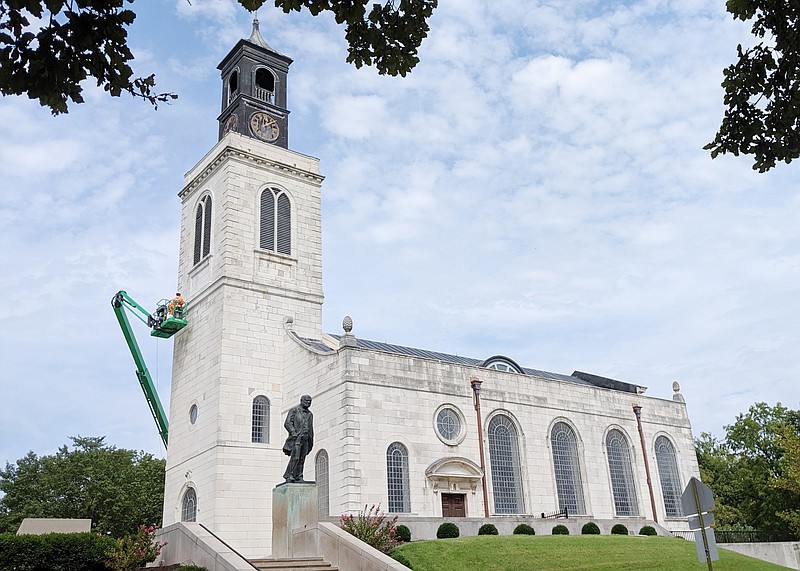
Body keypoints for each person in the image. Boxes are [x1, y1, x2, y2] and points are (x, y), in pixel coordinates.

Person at [282, 395, 314, 483]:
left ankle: (299, 476)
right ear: (301, 401)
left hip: (306, 438)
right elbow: (287, 423)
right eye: (307, 401)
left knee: (302, 458)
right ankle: (289, 475)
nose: (309, 403)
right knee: (295, 457)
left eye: (310, 401)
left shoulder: (310, 414)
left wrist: (311, 439)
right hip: (297, 437)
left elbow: (311, 427)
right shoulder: (295, 410)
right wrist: (293, 433)